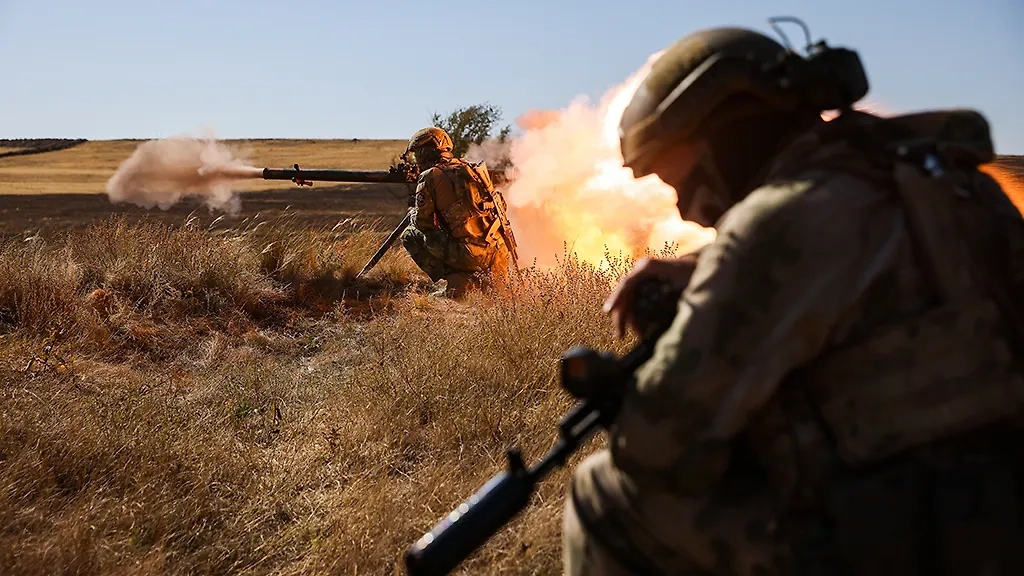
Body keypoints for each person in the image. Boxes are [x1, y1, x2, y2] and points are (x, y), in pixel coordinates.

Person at [563, 24, 1024, 575]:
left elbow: (659, 446)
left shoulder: (775, 226)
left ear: (721, 137)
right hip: (1003, 509)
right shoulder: (946, 182)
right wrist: (708, 270)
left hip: (908, 540)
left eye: (674, 177)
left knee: (603, 493)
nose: (684, 207)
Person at [398, 126, 518, 298]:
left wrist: (414, 212)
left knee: (410, 235)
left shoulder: (430, 176)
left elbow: (424, 223)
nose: (417, 160)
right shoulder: (471, 169)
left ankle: (458, 281)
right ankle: (483, 281)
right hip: (498, 252)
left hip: (471, 255)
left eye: (418, 154)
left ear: (426, 152)